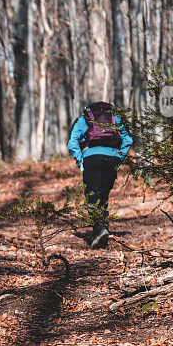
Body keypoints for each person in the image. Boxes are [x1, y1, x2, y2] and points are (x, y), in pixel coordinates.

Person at [67, 101, 132, 249]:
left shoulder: (83, 119)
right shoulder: (115, 119)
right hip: (111, 159)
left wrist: (80, 160)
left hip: (91, 158)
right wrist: (119, 157)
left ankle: (99, 230)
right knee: (103, 196)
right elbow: (128, 140)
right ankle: (103, 229)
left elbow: (72, 142)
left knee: (92, 196)